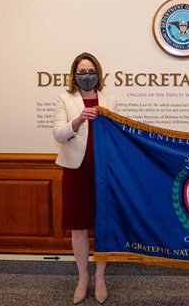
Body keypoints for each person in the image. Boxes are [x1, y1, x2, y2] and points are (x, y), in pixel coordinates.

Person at [53, 52, 117, 305]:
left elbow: (119, 136)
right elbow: (58, 134)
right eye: (82, 72)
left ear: (98, 74)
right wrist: (78, 120)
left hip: (105, 170)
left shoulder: (110, 99)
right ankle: (83, 278)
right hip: (76, 169)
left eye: (91, 71)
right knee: (78, 226)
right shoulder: (64, 99)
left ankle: (100, 277)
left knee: (104, 224)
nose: (87, 76)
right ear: (74, 75)